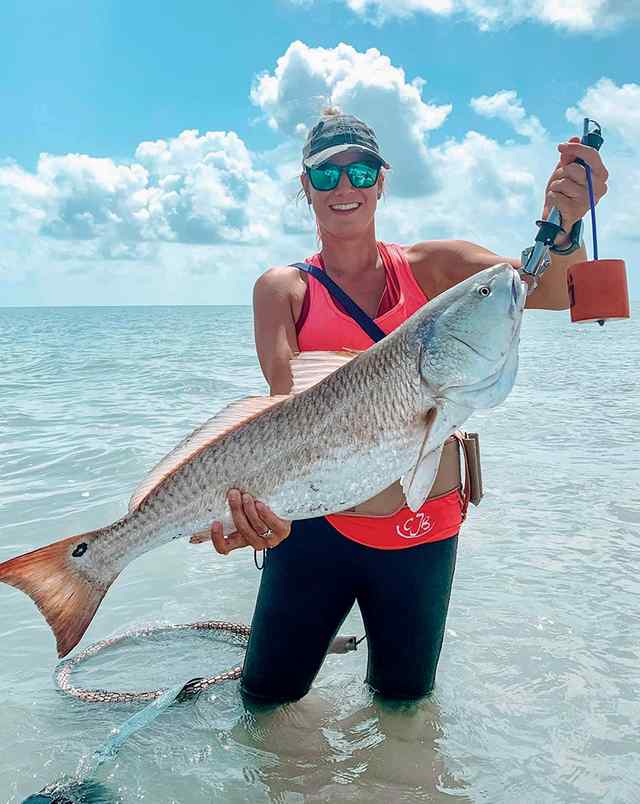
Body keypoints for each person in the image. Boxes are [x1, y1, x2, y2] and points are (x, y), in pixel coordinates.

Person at [200, 108, 608, 703]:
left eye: (362, 171)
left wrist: (565, 224)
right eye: (327, 173)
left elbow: (536, 288)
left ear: (383, 180)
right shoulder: (283, 289)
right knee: (265, 701)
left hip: (425, 531)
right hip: (314, 529)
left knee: (404, 710)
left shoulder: (437, 267)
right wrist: (255, 510)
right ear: (304, 185)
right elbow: (284, 415)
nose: (346, 187)